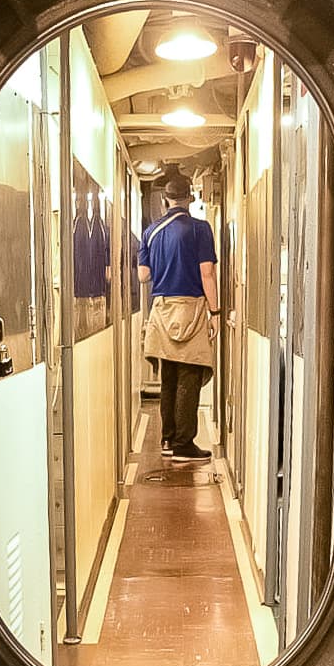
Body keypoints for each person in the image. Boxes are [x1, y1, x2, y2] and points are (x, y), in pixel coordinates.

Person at [138, 172, 220, 463]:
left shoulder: (150, 232)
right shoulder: (200, 229)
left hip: (161, 309)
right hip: (192, 308)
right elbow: (207, 272)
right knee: (190, 373)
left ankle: (168, 439)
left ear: (165, 199)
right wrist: (215, 313)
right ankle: (185, 444)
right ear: (191, 198)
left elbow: (143, 276)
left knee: (169, 376)